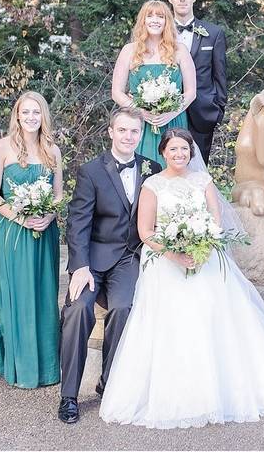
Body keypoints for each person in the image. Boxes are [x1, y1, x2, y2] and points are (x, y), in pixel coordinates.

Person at [99, 128, 264, 429]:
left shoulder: (203, 181)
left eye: (184, 149)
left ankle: (219, 391)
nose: (179, 154)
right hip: (166, 265)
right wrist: (175, 254)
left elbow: (215, 222)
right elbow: (146, 232)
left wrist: (202, 248)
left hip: (204, 259)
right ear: (163, 152)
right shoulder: (152, 185)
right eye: (173, 149)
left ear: (191, 153)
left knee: (211, 316)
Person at [57, 107, 162, 424]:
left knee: (124, 309)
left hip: (128, 259)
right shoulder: (92, 170)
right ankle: (69, 396)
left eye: (134, 131)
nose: (129, 136)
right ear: (111, 132)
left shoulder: (152, 168)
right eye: (123, 130)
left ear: (140, 135)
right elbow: (77, 222)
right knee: (77, 310)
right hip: (93, 260)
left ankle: (109, 383)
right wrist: (80, 266)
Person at [0, 91, 63, 389]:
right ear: (17, 115)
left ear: (44, 116)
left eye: (37, 112)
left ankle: (47, 368)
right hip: (12, 233)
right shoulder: (1, 148)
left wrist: (49, 216)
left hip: (44, 234)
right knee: (15, 297)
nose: (31, 117)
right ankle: (21, 368)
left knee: (44, 295)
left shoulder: (52, 151)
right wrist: (20, 217)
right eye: (25, 112)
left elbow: (57, 195)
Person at [111, 0, 196, 167]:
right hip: (140, 122)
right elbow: (116, 92)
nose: (155, 20)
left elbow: (191, 92)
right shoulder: (129, 51)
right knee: (144, 170)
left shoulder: (180, 50)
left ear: (167, 21)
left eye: (160, 16)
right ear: (143, 20)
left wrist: (171, 113)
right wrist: (140, 111)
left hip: (173, 121)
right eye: (150, 16)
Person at [167, 0, 227, 164]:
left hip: (202, 112)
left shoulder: (214, 33)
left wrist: (218, 109)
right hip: (167, 111)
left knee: (198, 168)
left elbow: (220, 75)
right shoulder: (162, 33)